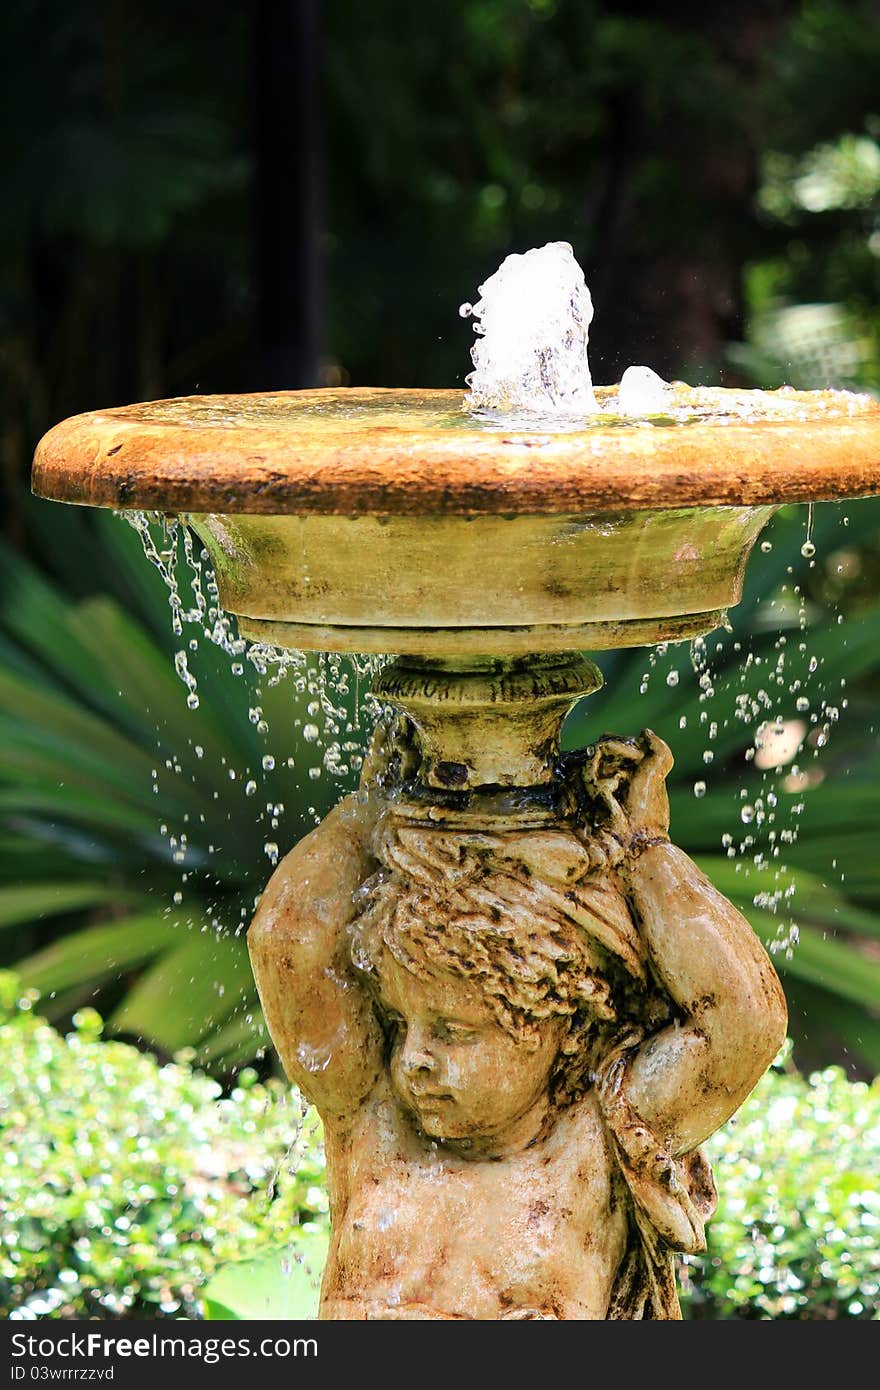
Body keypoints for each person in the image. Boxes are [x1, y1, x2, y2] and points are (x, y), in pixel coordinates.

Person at [248, 721, 787, 1320]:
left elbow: (742, 1020)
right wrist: (371, 806)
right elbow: (287, 938)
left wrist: (639, 850)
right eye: (400, 1024)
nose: (414, 1058)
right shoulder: (372, 1116)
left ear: (563, 1032)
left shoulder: (603, 1135)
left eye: (454, 1031)